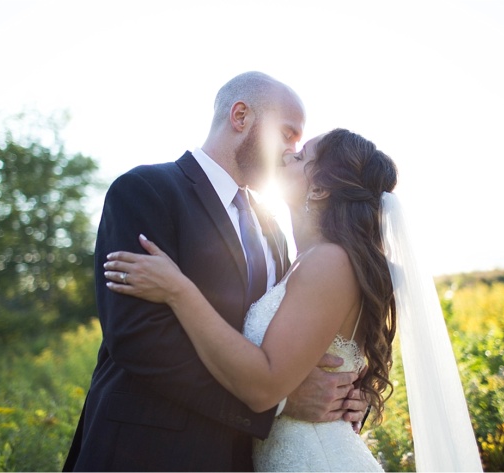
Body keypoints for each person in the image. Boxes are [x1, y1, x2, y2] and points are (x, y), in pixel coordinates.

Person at [100, 129, 483, 471]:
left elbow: (265, 384)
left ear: (319, 189)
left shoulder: (330, 261)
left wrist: (178, 290)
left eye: (301, 157)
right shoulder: (300, 255)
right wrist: (349, 390)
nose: (288, 154)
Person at [63, 72, 369, 471]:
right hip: (145, 451)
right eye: (288, 134)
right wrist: (278, 402)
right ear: (240, 116)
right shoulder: (146, 190)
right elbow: (138, 336)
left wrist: (343, 393)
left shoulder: (273, 229)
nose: (291, 152)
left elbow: (282, 338)